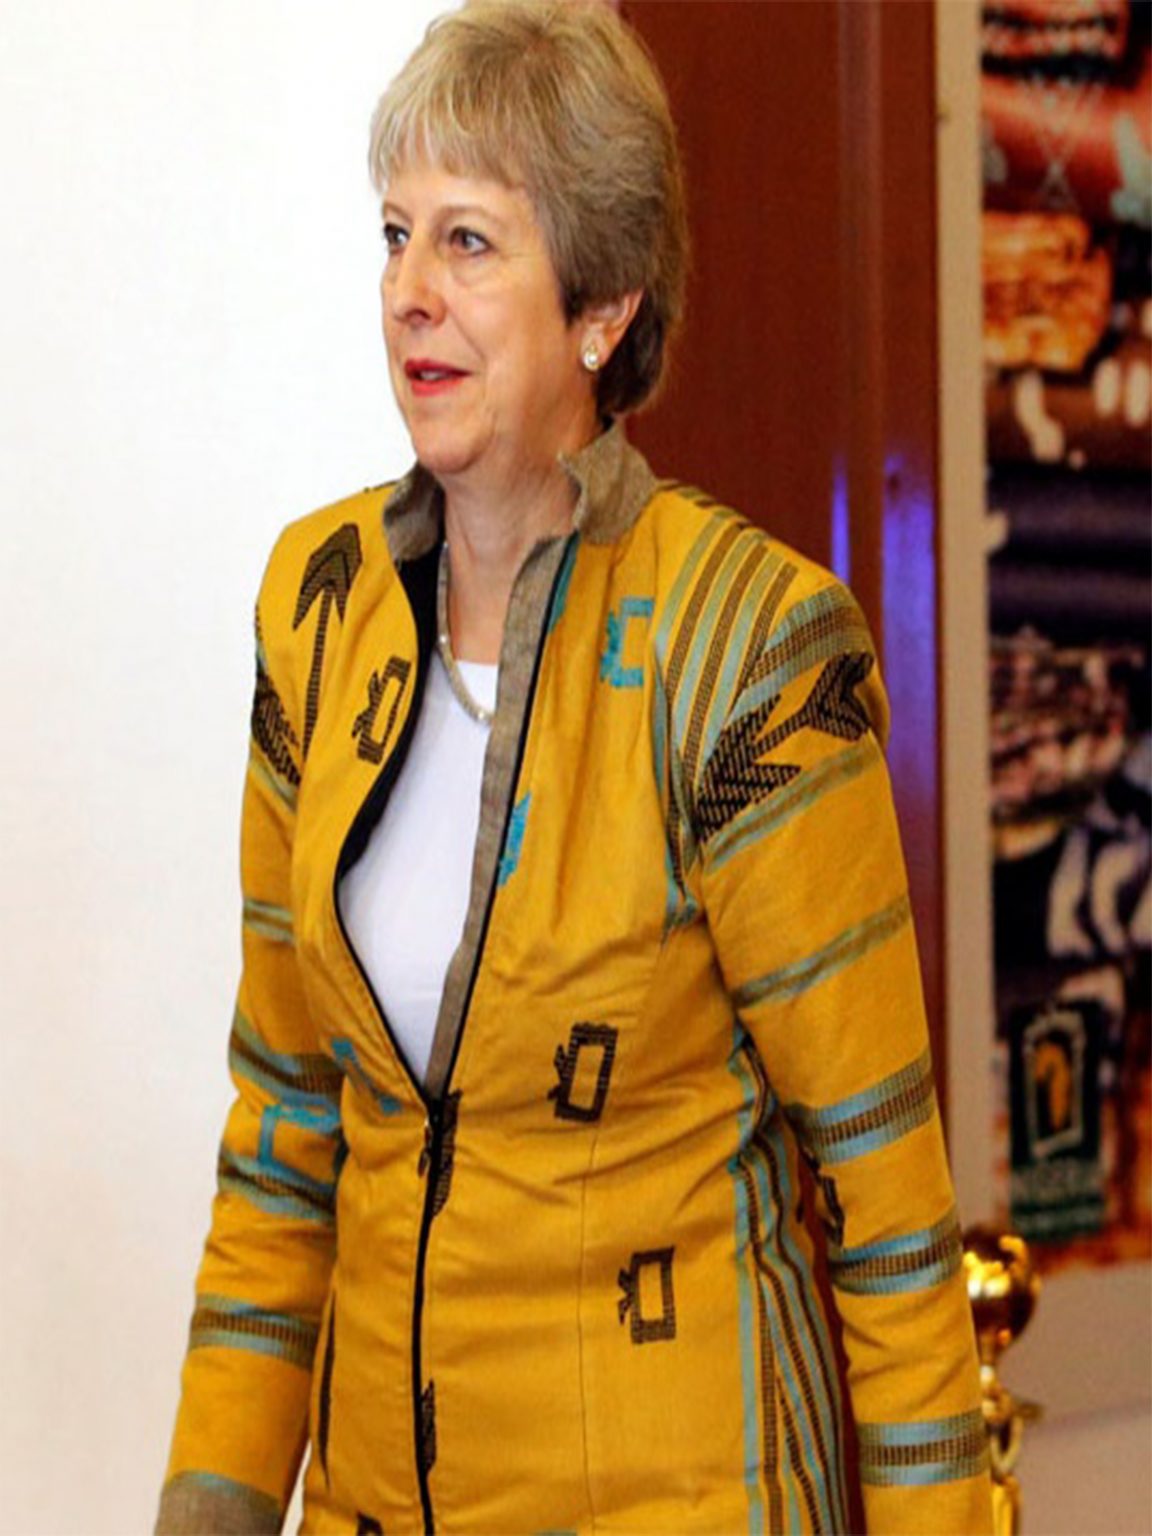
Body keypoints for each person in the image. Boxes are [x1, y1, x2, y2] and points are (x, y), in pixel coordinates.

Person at [156, 3, 993, 1533]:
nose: (409, 291)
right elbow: (281, 1149)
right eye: (397, 234)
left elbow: (887, 1212)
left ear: (602, 306)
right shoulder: (318, 609)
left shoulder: (744, 649)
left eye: (469, 242)